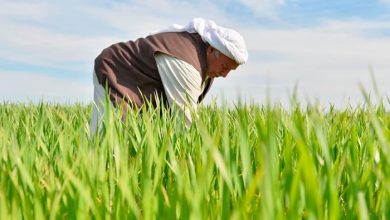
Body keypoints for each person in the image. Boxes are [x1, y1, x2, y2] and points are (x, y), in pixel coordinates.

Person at [89, 18, 248, 133]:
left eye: (230, 71)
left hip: (141, 88)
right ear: (212, 50)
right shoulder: (186, 63)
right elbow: (184, 122)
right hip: (116, 72)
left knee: (138, 138)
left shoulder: (204, 62)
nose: (225, 74)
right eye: (225, 67)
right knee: (108, 138)